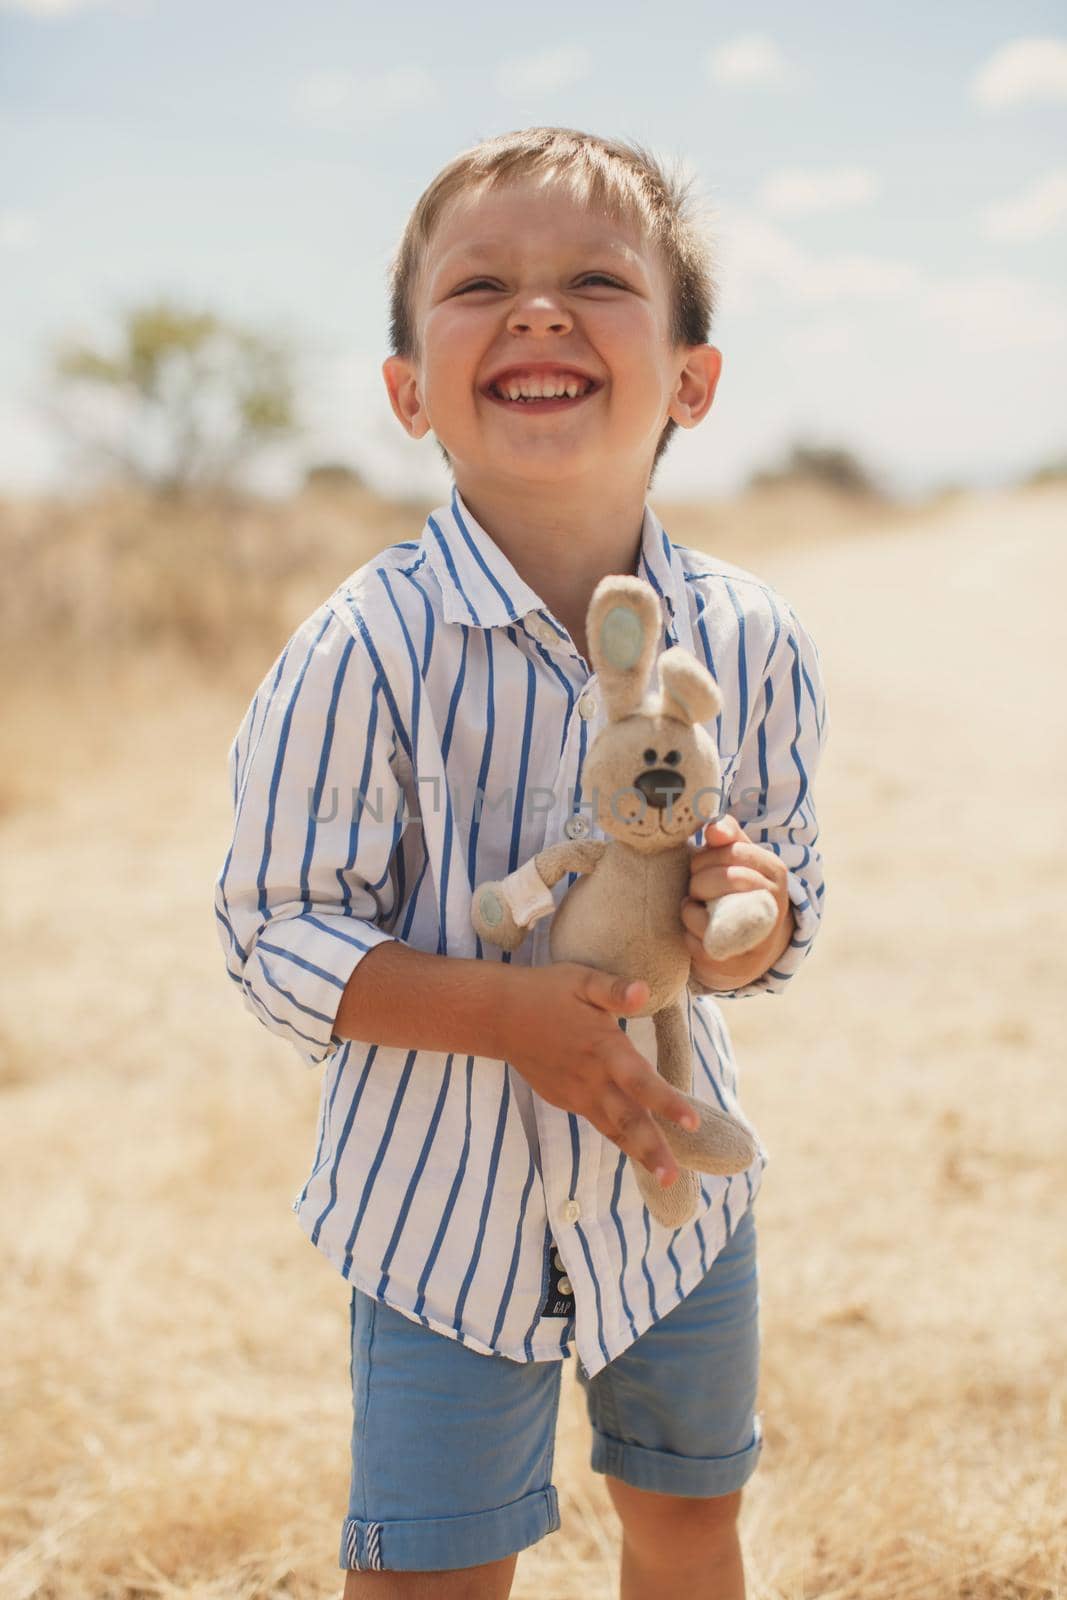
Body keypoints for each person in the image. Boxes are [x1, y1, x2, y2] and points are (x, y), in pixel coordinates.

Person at [214, 126, 829, 1600]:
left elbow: (788, 904)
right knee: (437, 1567)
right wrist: (500, 1017)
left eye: (598, 283)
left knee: (687, 1517)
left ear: (692, 377)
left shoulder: (745, 641)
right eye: (481, 284)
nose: (538, 313)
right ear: (408, 390)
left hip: (672, 1196)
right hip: (439, 1221)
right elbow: (276, 932)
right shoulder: (362, 648)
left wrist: (740, 921)